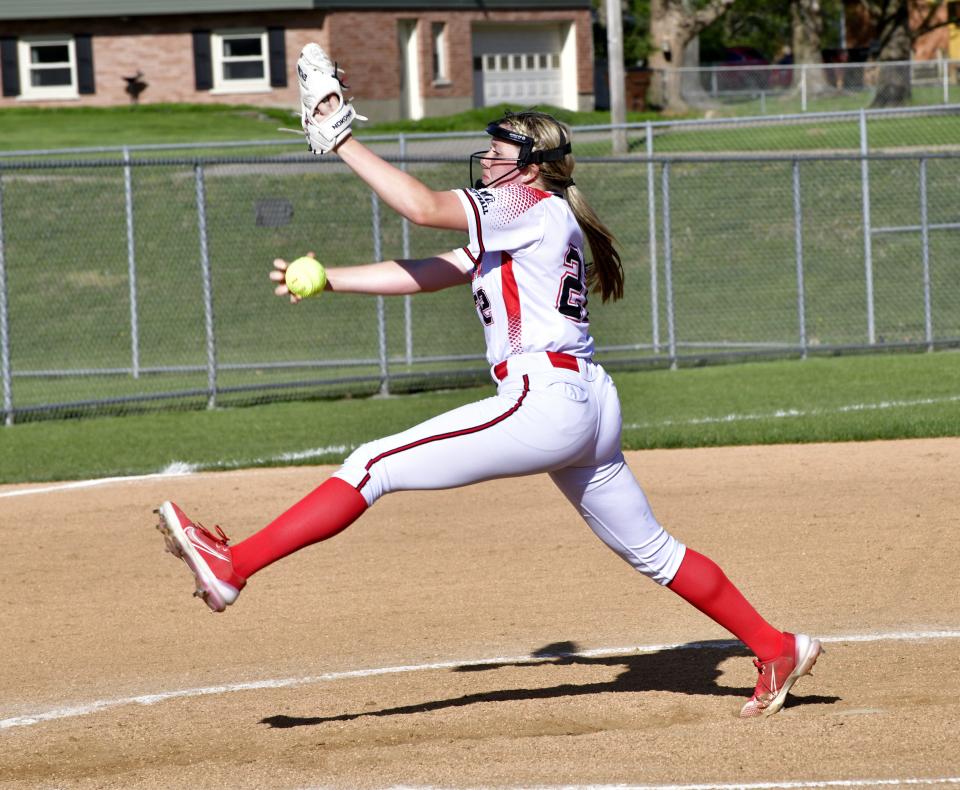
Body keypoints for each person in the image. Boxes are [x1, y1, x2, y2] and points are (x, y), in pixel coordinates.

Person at [155, 44, 821, 719]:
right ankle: (774, 645)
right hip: (588, 399)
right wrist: (334, 278)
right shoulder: (528, 216)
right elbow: (434, 267)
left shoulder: (525, 205)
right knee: (653, 550)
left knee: (371, 465)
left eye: (502, 151)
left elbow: (418, 206)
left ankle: (233, 567)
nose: (491, 159)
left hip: (545, 399)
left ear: (534, 166)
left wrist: (343, 139)